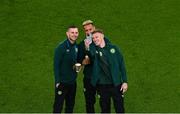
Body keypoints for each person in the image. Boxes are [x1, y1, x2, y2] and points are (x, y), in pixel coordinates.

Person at [89, 29, 128, 113]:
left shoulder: (114, 48)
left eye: (97, 37)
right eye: (93, 38)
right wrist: (89, 43)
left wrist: (125, 81)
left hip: (116, 84)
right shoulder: (94, 50)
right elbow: (91, 52)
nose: (95, 39)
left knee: (120, 109)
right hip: (102, 85)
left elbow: (122, 65)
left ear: (103, 36)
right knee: (105, 110)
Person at [78, 20, 111, 113]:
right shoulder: (82, 44)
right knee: (89, 103)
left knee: (105, 103)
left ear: (94, 28)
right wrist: (84, 62)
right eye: (86, 30)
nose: (89, 32)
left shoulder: (104, 41)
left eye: (90, 29)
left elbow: (109, 58)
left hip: (102, 78)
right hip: (89, 78)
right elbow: (79, 61)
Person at [53, 25, 79, 113]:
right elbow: (56, 66)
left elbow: (75, 62)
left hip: (72, 82)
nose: (74, 34)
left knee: (70, 106)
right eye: (72, 32)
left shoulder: (76, 47)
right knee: (58, 106)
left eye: (76, 32)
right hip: (62, 83)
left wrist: (76, 66)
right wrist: (57, 81)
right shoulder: (61, 47)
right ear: (67, 34)